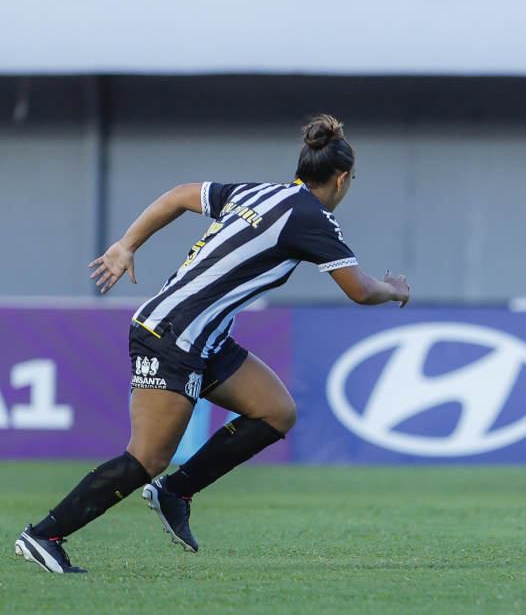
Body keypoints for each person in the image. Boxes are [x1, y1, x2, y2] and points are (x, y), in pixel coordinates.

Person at [14, 115, 410, 574]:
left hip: (204, 337)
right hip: (173, 335)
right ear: (341, 179)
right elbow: (360, 290)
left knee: (276, 411)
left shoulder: (256, 193)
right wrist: (397, 290)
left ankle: (175, 492)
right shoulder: (312, 218)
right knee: (147, 457)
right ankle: (43, 535)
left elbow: (179, 195)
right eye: (352, 179)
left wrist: (128, 243)